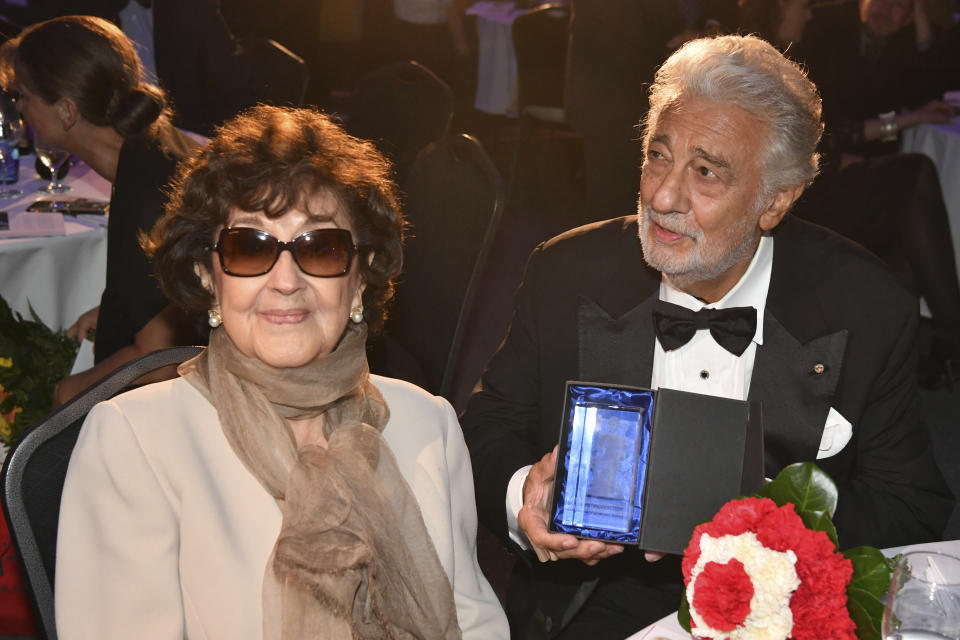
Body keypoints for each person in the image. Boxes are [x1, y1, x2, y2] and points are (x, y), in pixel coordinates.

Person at [461, 34, 953, 639]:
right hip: (595, 601)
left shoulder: (864, 306)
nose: (662, 196)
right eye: (657, 156)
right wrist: (523, 498)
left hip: (781, 611)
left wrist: (778, 520)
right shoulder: (567, 272)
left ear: (775, 200)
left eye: (706, 172)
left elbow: (912, 503)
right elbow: (486, 425)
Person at [53, 104, 508, 639]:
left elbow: (476, 626)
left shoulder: (429, 425)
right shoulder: (135, 443)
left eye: (321, 247)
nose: (286, 280)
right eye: (250, 248)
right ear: (207, 276)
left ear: (358, 280)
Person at [740, 0, 960, 379]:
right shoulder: (826, 30)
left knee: (907, 210)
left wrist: (923, 32)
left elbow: (930, 90)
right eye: (881, 0)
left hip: (853, 177)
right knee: (915, 178)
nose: (886, 10)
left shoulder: (900, 46)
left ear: (910, 16)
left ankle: (911, 359)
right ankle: (950, 338)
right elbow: (834, 133)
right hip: (812, 184)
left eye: (901, 7)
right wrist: (902, 123)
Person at [0, 15, 201, 406]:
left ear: (66, 111)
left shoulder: (150, 196)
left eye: (21, 95)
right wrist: (117, 310)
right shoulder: (152, 149)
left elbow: (159, 360)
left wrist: (65, 396)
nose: (19, 108)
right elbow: (177, 297)